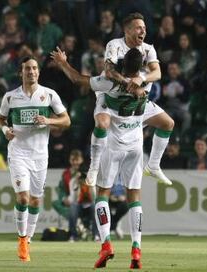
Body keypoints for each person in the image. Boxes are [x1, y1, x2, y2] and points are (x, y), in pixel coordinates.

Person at [52, 47, 149, 268]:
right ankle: (136, 250)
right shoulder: (146, 83)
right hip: (136, 144)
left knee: (102, 194)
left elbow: (78, 79)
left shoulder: (109, 84)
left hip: (113, 145)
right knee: (134, 198)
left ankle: (106, 244)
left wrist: (63, 63)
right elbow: (148, 73)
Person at [52, 13, 175, 186]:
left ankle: (153, 165)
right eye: (139, 27)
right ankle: (94, 167)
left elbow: (158, 72)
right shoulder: (115, 45)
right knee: (102, 123)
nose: (143, 31)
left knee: (167, 123)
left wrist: (140, 80)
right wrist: (129, 83)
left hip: (135, 98)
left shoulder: (148, 49)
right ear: (127, 30)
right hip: (109, 93)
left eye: (145, 28)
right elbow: (109, 71)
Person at [0, 56, 70, 262]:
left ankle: (28, 238)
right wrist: (5, 129)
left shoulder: (48, 95)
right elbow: (1, 119)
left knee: (36, 199)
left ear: (39, 72)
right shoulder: (11, 97)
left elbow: (66, 121)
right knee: (23, 198)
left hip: (40, 155)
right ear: (21, 72)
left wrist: (48, 120)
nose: (31, 72)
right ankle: (21, 239)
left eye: (35, 68)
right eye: (27, 68)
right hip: (18, 152)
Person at [57, 149, 97, 242]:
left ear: (81, 160)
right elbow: (64, 191)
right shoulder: (67, 175)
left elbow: (94, 195)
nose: (75, 162)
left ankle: (96, 235)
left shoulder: (89, 174)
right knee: (71, 207)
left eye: (77, 160)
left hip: (89, 203)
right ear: (70, 160)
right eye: (73, 160)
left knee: (95, 207)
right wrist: (65, 199)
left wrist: (88, 184)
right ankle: (73, 235)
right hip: (74, 202)